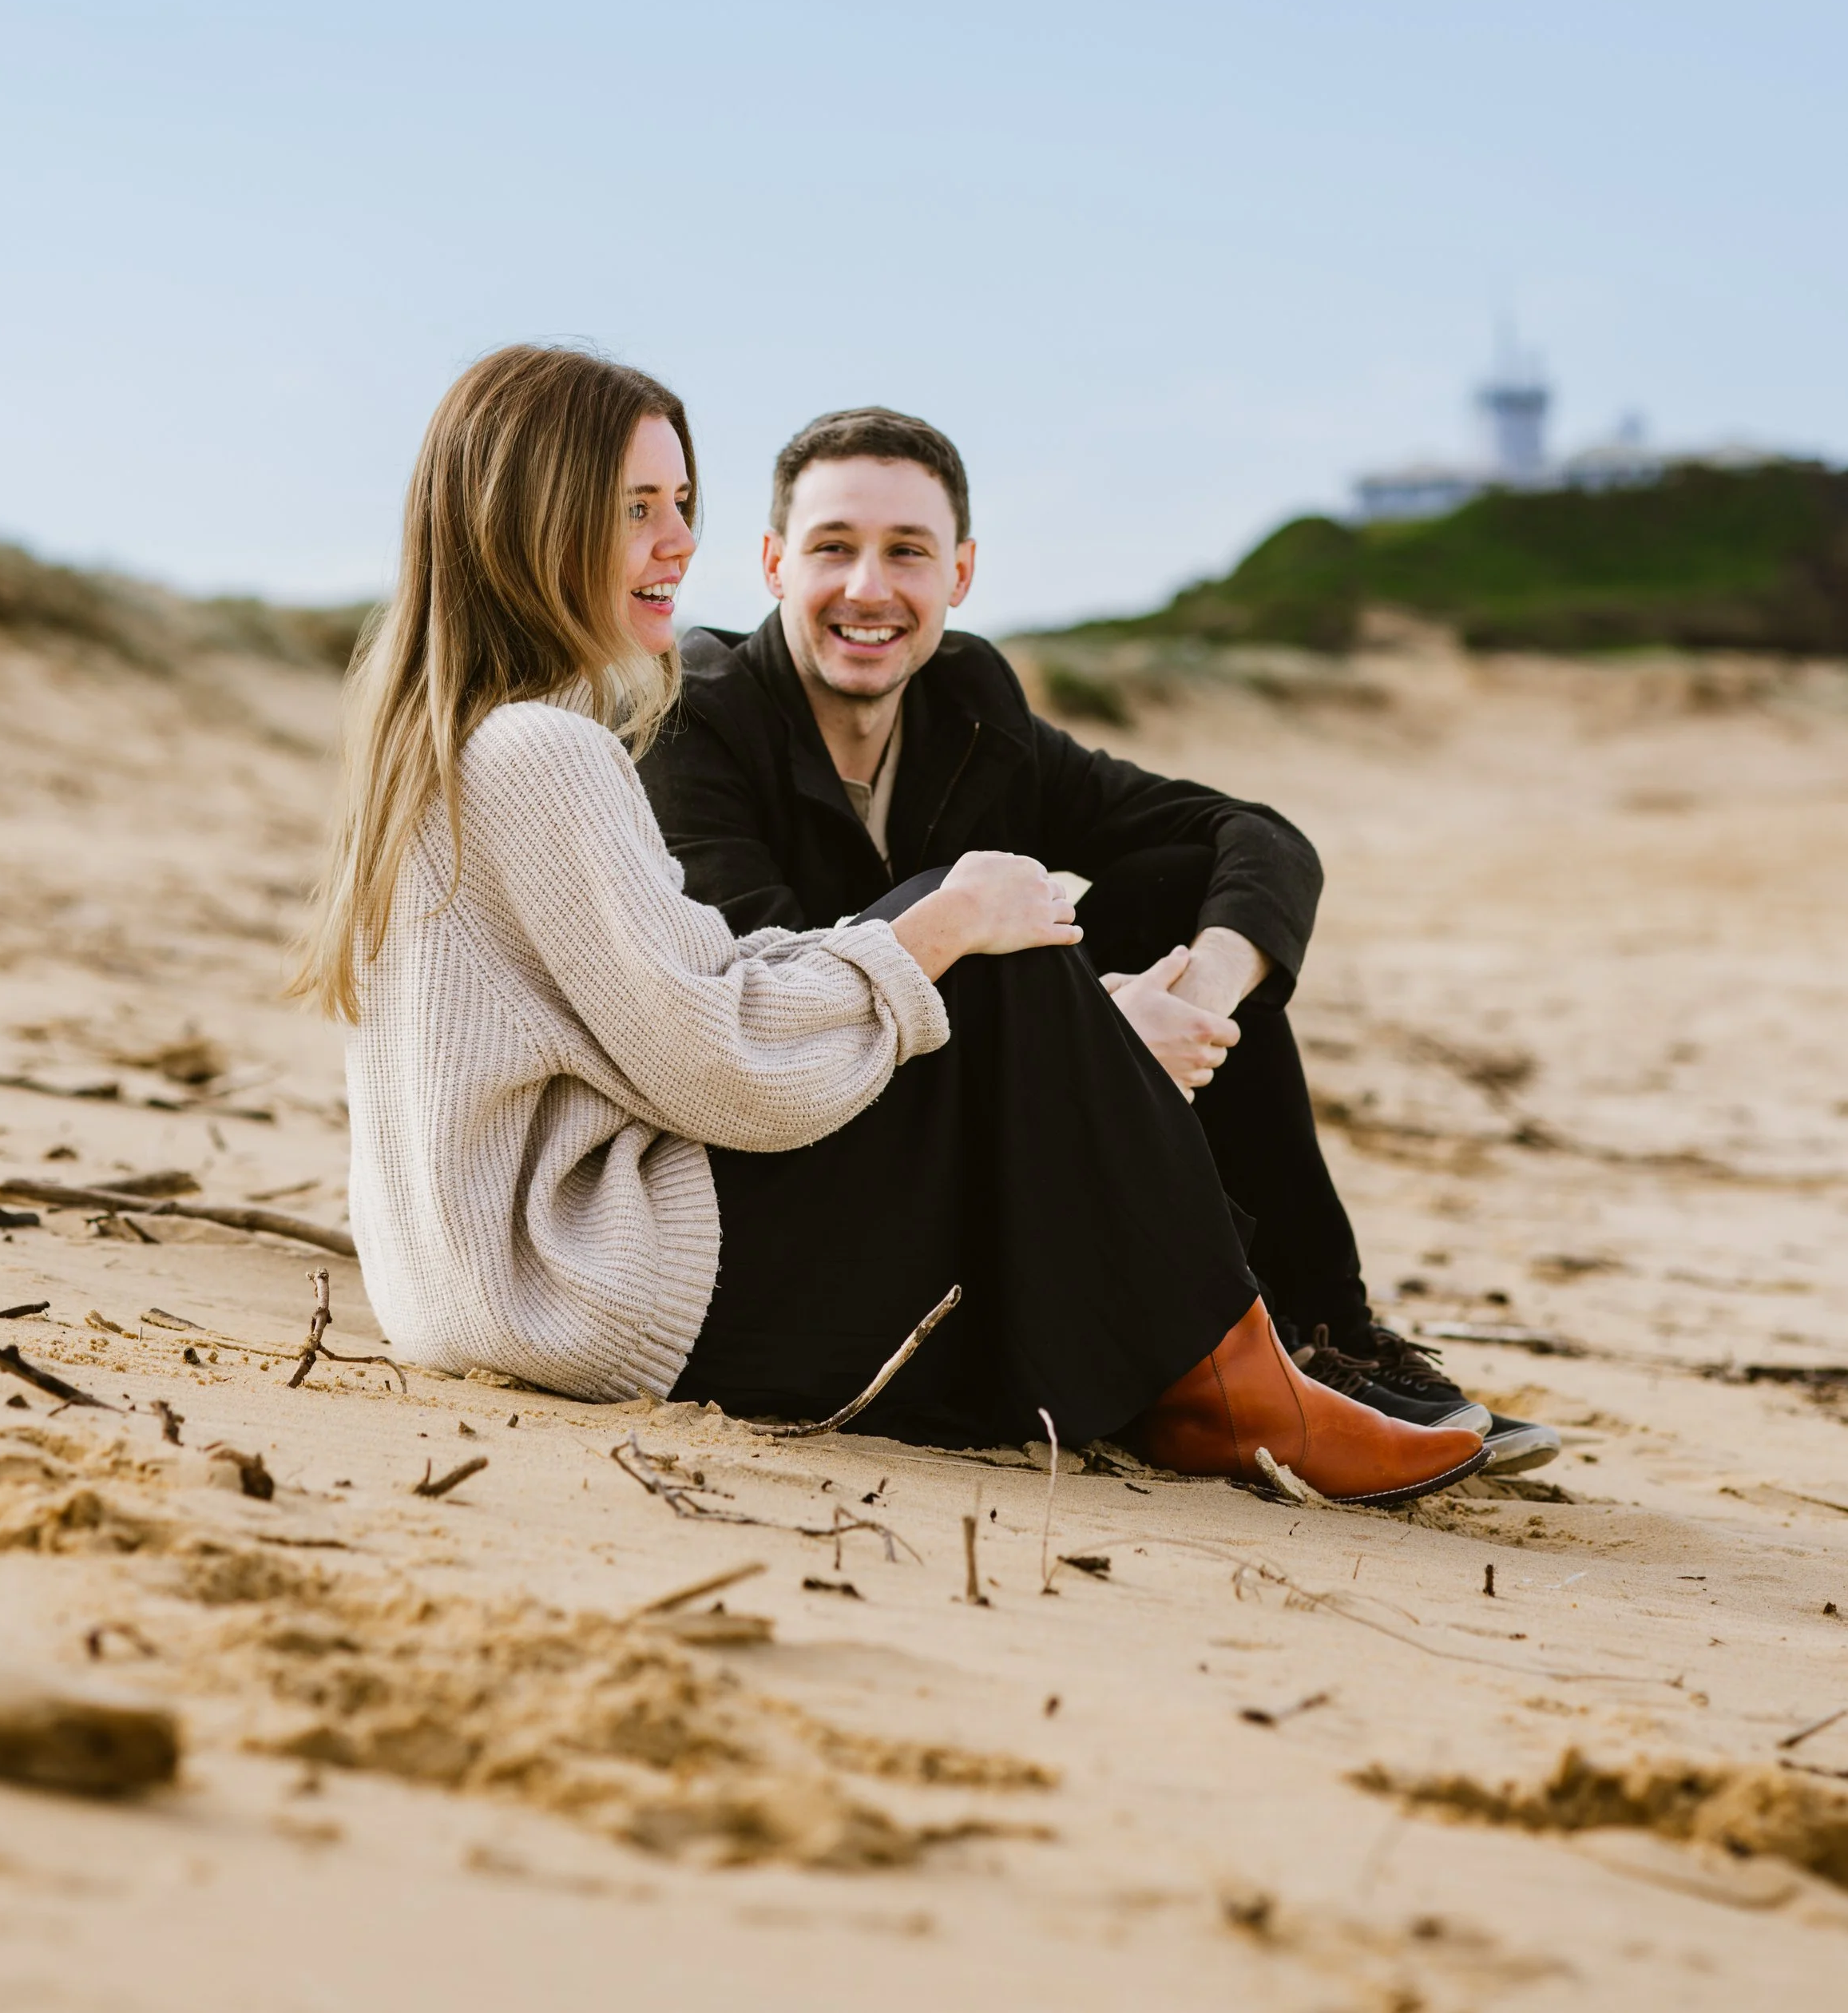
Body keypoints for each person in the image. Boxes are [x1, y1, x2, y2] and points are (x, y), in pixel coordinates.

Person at [298, 343, 1486, 1504]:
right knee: (991, 946)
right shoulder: (554, 751)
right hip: (597, 1295)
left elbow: (697, 988)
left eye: (681, 504)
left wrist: (1050, 992)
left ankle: (1290, 1342)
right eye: (633, 511)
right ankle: (1224, 1380)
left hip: (509, 1290)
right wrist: (974, 955)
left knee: (1002, 926)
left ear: (961, 572)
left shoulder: (466, 744)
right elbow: (719, 1066)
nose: (676, 545)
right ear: (532, 523)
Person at [639, 403, 1557, 1475]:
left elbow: (1251, 839)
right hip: (796, 1184)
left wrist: (1200, 991)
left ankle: (1322, 1335)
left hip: (972, 1156)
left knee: (1172, 888)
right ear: (773, 564)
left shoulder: (968, 711)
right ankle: (1205, 1366)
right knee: (968, 908)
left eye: (908, 552)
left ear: (962, 574)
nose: (868, 589)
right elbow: (778, 1004)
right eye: (833, 548)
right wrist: (1092, 1050)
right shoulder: (697, 720)